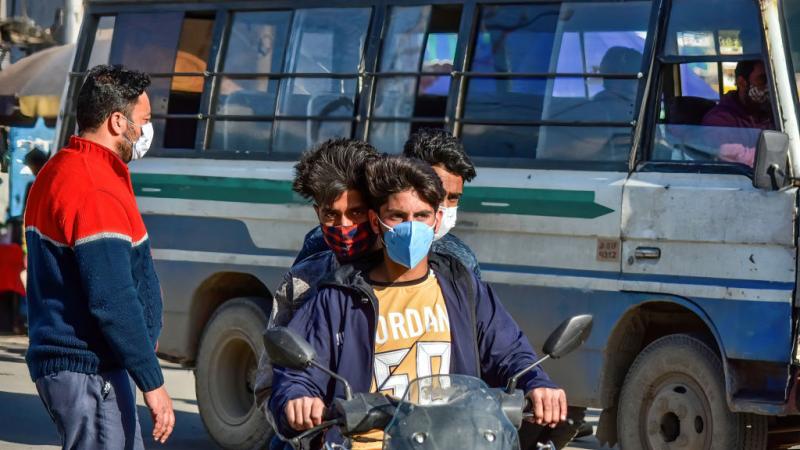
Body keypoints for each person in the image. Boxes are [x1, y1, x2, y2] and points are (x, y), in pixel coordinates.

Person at [269, 155, 567, 448]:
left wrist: (538, 384)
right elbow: (297, 375)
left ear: (436, 219)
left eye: (421, 216)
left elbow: (510, 352)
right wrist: (298, 398)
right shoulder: (338, 297)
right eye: (397, 217)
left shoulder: (462, 287)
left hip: (453, 441)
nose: (409, 227)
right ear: (376, 222)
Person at [24, 64, 174, 449]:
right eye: (144, 121)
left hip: (83, 370)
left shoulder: (62, 168)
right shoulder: (93, 187)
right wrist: (153, 383)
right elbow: (113, 299)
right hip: (90, 370)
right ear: (117, 121)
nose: (145, 132)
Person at [254, 138, 380, 424]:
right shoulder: (303, 282)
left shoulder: (412, 277)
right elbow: (268, 385)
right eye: (332, 215)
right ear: (317, 214)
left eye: (356, 213)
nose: (345, 226)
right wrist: (295, 410)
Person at [294, 129, 481, 278]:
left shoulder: (459, 263)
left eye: (453, 198)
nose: (344, 226)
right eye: (433, 193)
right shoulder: (318, 249)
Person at [701, 60, 773, 166]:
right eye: (762, 79)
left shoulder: (772, 112)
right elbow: (743, 160)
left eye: (771, 79)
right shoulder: (718, 121)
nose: (769, 86)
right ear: (741, 82)